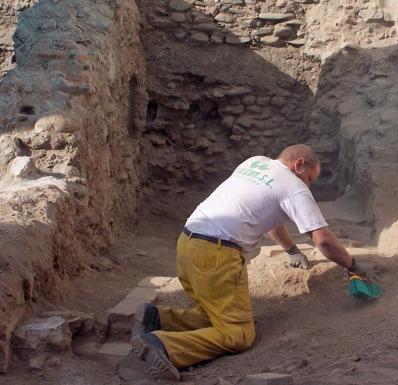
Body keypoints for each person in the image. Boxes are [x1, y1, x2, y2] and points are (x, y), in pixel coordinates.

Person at [130, 144, 371, 381]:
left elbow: (271, 220)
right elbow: (323, 239)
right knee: (238, 334)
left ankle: (157, 319)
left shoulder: (254, 162)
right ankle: (162, 345)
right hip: (216, 255)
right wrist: (353, 266)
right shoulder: (294, 186)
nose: (308, 184)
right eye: (309, 178)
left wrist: (291, 249)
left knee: (215, 314)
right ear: (298, 165)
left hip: (187, 243)